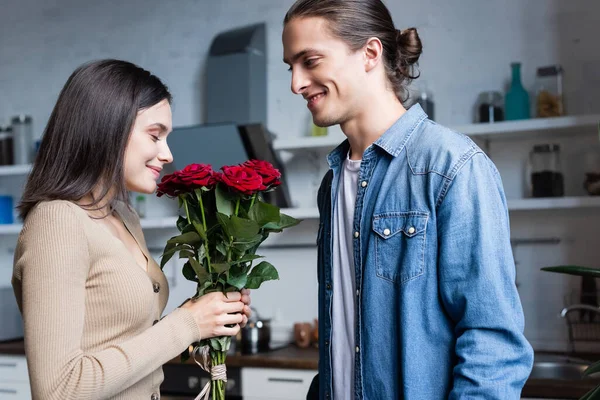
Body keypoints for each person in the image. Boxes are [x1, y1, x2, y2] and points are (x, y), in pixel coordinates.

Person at [282, 1, 534, 399]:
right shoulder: (332, 185)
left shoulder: (452, 166)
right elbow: (344, 335)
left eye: (309, 61)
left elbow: (493, 343)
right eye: (290, 67)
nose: (296, 82)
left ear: (370, 53)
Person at [11, 59, 251, 400]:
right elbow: (58, 389)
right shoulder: (57, 221)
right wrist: (186, 324)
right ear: (107, 129)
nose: (167, 154)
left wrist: (206, 316)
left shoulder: (123, 216)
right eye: (155, 135)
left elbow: (123, 337)